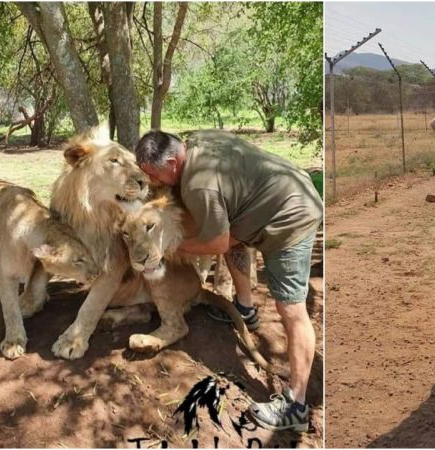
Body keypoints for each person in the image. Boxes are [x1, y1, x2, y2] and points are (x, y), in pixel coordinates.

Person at [134, 129, 322, 432]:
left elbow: (217, 243)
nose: (150, 181)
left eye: (151, 174)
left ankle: (296, 407)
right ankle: (245, 308)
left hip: (290, 217)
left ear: (171, 163)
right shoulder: (196, 142)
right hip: (279, 193)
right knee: (237, 240)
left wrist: (168, 247)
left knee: (291, 308)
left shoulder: (199, 186)